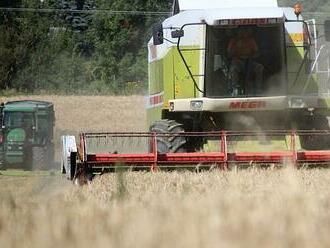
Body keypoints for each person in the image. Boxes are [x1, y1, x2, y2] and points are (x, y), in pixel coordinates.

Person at [227, 28, 264, 96]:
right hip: (237, 61)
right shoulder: (233, 41)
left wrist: (252, 56)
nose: (243, 33)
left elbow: (257, 52)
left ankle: (258, 89)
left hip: (249, 61)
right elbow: (228, 54)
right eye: (241, 31)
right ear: (237, 32)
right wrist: (236, 52)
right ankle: (234, 88)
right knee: (233, 69)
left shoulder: (251, 40)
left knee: (259, 67)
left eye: (245, 31)